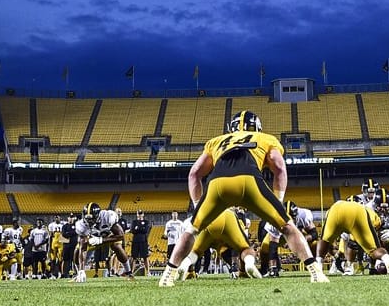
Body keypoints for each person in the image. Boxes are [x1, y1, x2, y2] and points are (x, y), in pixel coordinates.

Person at [159, 110, 328, 286]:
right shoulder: (265, 138)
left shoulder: (217, 141)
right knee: (286, 226)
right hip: (249, 180)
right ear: (257, 127)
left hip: (217, 184)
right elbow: (279, 167)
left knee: (192, 230)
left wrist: (197, 206)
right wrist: (278, 201)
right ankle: (315, 272)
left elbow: (194, 174)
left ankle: (168, 275)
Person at [174, 207, 264, 281]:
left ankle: (187, 268)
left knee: (195, 251)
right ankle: (247, 265)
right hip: (228, 217)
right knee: (244, 249)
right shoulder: (238, 215)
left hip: (209, 218)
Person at [313, 199, 389, 274]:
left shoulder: (335, 207)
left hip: (336, 210)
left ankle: (319, 265)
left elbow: (327, 242)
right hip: (359, 212)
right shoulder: (370, 211)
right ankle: (388, 259)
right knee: (373, 250)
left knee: (324, 240)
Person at [130, 210, 151, 275]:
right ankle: (131, 272)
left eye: (141, 214)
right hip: (135, 241)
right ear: (137, 214)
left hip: (143, 241)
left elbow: (145, 230)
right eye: (139, 214)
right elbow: (133, 230)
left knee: (145, 257)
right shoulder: (134, 222)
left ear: (143, 214)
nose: (139, 215)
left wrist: (137, 228)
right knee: (134, 257)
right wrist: (141, 228)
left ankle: (148, 272)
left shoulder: (146, 222)